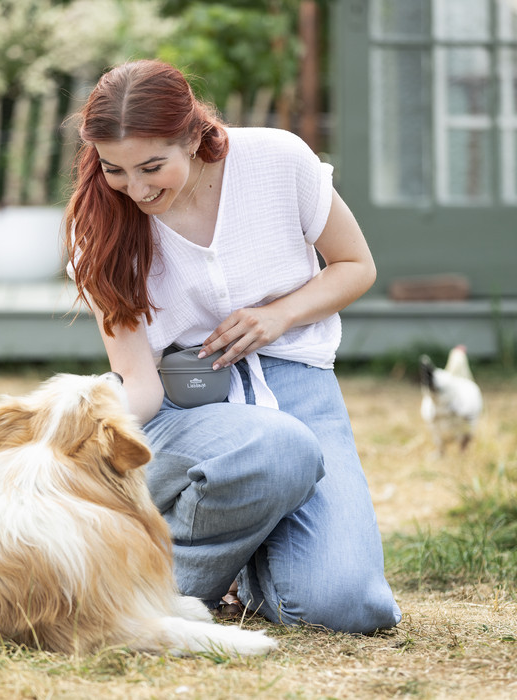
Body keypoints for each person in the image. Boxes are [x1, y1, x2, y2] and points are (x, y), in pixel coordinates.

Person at [65, 59, 401, 633]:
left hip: (297, 380)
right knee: (275, 447)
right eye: (115, 169)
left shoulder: (278, 160)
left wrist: (279, 316)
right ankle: (168, 589)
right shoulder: (96, 226)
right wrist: (85, 437)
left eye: (152, 167)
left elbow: (356, 265)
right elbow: (138, 381)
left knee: (350, 608)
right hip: (182, 406)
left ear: (194, 137)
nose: (137, 190)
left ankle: (248, 561)